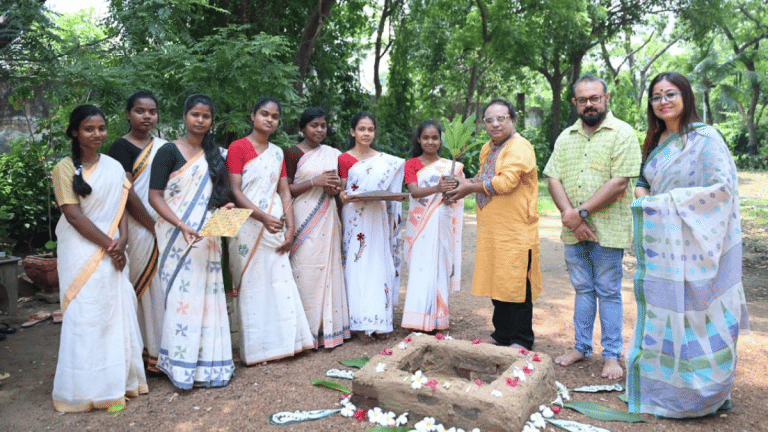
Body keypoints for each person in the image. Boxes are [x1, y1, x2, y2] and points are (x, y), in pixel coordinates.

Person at [627, 72, 749, 417]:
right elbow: (643, 180)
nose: (663, 101)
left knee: (702, 311)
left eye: (670, 94)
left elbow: (722, 190)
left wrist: (670, 203)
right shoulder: (657, 139)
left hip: (701, 242)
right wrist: (649, 200)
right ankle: (665, 393)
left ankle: (703, 396)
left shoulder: (705, 137)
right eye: (656, 96)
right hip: (667, 244)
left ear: (685, 96)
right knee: (667, 311)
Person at [543, 74, 641, 380]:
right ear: (575, 103)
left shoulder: (623, 133)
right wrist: (570, 217)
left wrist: (581, 212)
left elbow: (620, 182)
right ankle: (581, 347)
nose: (589, 104)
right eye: (583, 99)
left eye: (595, 98)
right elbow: (553, 178)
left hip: (608, 231)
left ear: (606, 98)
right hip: (573, 231)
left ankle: (611, 356)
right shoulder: (565, 137)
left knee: (608, 291)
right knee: (583, 289)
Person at [52, 104, 147, 412]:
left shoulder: (113, 166)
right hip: (81, 251)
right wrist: (111, 246)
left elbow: (122, 207)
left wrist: (124, 240)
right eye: (89, 129)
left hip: (113, 248)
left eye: (101, 128)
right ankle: (82, 390)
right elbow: (74, 216)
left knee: (113, 314)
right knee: (85, 315)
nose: (97, 134)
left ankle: (117, 384)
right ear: (74, 132)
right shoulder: (64, 168)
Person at [148, 94, 234, 389]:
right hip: (176, 236)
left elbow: (219, 196)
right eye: (195, 114)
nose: (200, 120)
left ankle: (211, 364)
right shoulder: (168, 151)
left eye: (206, 116)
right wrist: (181, 225)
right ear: (185, 116)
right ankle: (181, 368)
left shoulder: (216, 155)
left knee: (208, 299)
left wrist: (225, 209)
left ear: (211, 120)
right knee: (181, 300)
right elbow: (154, 196)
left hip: (207, 237)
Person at [445, 99, 541, 350]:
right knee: (498, 280)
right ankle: (502, 334)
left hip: (516, 229)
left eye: (501, 118)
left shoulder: (520, 147)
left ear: (513, 119)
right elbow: (483, 178)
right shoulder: (488, 148)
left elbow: (505, 183)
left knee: (516, 283)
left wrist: (469, 188)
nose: (495, 124)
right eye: (489, 120)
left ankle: (521, 339)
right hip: (493, 229)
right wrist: (463, 183)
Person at [227, 97, 314, 364]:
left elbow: (284, 191)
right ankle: (257, 350)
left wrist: (291, 228)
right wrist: (262, 217)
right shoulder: (238, 147)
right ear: (253, 115)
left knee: (279, 282)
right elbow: (235, 190)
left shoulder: (277, 153)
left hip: (275, 225)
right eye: (264, 114)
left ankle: (287, 343)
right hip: (247, 225)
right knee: (252, 284)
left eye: (274, 117)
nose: (269, 119)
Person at [108, 91, 167, 374]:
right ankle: (146, 353)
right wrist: (153, 226)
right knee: (144, 288)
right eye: (140, 111)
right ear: (128, 114)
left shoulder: (164, 147)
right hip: (137, 227)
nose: (147, 116)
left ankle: (165, 351)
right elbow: (128, 194)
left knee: (163, 288)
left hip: (166, 224)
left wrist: (165, 224)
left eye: (152, 111)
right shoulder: (120, 148)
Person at [283, 107, 350, 348]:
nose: (319, 130)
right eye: (314, 125)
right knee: (304, 271)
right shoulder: (292, 154)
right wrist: (314, 182)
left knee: (327, 270)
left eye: (323, 126)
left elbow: (340, 189)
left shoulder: (333, 155)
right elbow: (284, 190)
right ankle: (303, 331)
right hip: (301, 219)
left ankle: (326, 329)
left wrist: (333, 189)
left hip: (328, 217)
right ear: (303, 128)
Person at [339, 112, 405, 341]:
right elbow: (341, 190)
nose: (366, 133)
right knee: (357, 263)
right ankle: (360, 323)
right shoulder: (344, 159)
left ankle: (379, 321)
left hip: (377, 215)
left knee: (378, 263)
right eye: (361, 129)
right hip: (355, 216)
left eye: (370, 129)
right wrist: (344, 196)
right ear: (352, 132)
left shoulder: (385, 161)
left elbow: (392, 189)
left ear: (374, 133)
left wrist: (396, 197)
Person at [401, 120, 463, 332]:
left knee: (439, 267)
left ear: (440, 140)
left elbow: (456, 195)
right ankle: (417, 317)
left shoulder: (450, 166)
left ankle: (437, 318)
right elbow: (414, 192)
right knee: (419, 268)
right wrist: (438, 188)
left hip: (442, 221)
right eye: (426, 137)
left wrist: (449, 196)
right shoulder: (411, 164)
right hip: (419, 224)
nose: (430, 142)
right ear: (419, 140)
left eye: (435, 138)